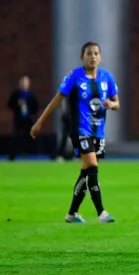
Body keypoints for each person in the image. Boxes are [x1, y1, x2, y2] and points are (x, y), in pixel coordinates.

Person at [30, 41, 118, 224]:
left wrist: (112, 104)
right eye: (89, 53)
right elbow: (57, 99)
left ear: (100, 57)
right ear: (82, 57)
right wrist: (39, 122)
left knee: (87, 173)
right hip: (79, 130)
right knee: (92, 167)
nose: (92, 56)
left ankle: (72, 214)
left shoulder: (107, 78)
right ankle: (101, 212)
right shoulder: (74, 77)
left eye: (95, 53)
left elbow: (117, 103)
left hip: (98, 132)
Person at [7, 75, 39, 161]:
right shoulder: (16, 94)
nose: (24, 84)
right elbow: (9, 105)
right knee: (16, 136)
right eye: (22, 82)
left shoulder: (31, 95)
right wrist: (17, 105)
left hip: (28, 120)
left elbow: (36, 107)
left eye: (26, 82)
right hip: (18, 119)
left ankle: (26, 154)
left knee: (27, 137)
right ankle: (12, 155)